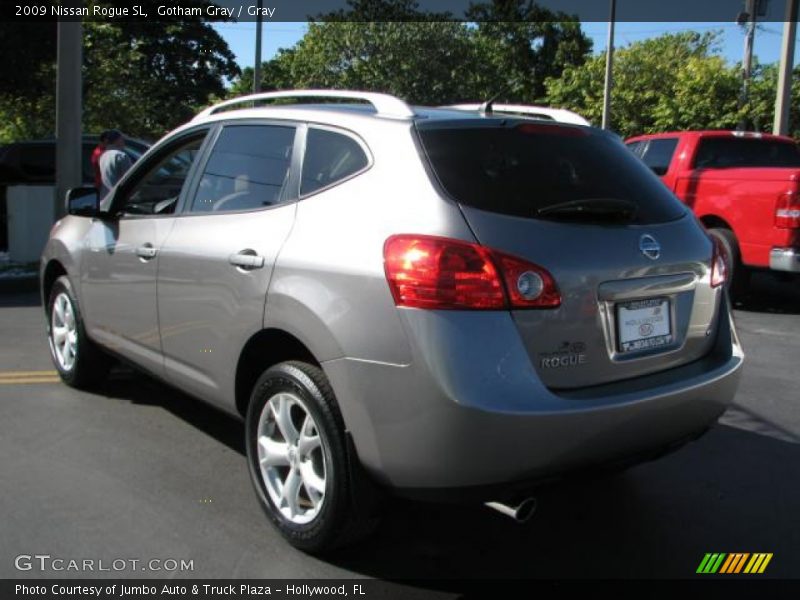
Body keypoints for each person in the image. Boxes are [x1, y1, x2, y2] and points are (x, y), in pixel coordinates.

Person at [98, 129, 132, 199]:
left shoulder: (102, 156)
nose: (123, 142)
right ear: (117, 140)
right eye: (122, 139)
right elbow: (130, 177)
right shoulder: (121, 156)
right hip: (118, 196)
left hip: (105, 197)